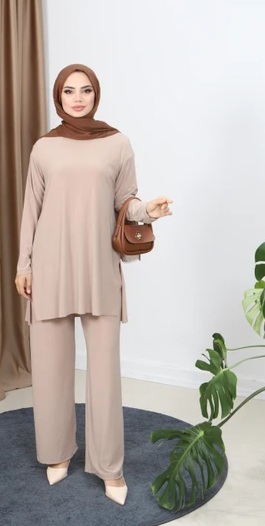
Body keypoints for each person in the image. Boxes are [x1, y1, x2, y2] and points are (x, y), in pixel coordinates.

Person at [15, 63, 173, 505]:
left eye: (85, 90)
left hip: (99, 265)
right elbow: (31, 208)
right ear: (58, 97)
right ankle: (57, 453)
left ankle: (109, 467)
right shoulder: (44, 148)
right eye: (69, 91)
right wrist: (24, 265)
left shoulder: (117, 143)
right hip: (50, 265)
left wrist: (148, 211)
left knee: (104, 371)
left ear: (96, 95)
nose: (78, 98)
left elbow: (126, 202)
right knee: (50, 367)